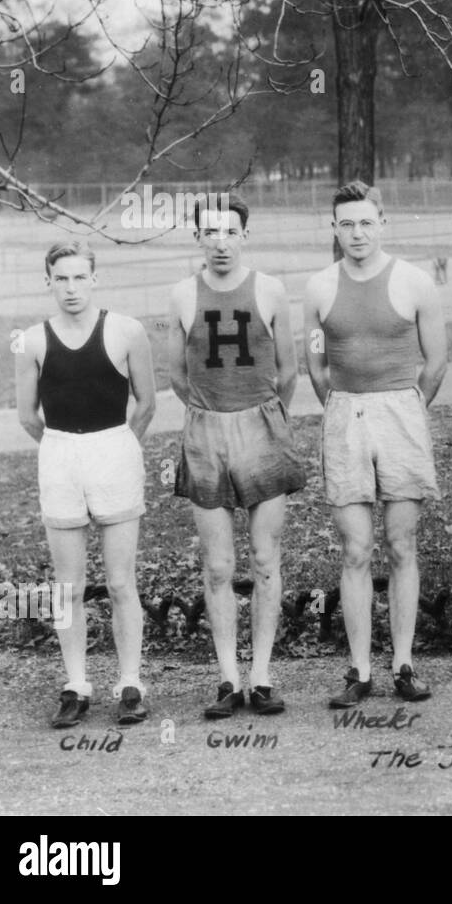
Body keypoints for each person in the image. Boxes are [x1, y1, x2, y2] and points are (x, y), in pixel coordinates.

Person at [305, 181, 446, 706]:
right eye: (347, 223)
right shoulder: (320, 287)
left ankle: (404, 664)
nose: (357, 233)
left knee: (402, 545)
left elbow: (436, 363)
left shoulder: (414, 282)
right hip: (346, 413)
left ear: (382, 222)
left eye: (366, 222)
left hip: (401, 412)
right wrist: (342, 408)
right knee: (356, 549)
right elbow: (316, 365)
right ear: (334, 228)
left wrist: (407, 408)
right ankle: (359, 669)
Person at [167, 197, 304, 718]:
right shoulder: (182, 294)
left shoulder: (269, 289)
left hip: (262, 425)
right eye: (210, 232)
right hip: (205, 431)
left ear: (246, 233)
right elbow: (178, 375)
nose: (221, 241)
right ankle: (227, 678)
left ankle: (263, 677)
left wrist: (263, 419)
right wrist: (211, 416)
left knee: (266, 559)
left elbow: (289, 371)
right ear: (198, 237)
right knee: (219, 564)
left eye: (230, 231)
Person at [14, 242, 156, 728]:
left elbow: (147, 402)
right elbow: (27, 416)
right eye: (61, 279)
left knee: (119, 581)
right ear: (48, 281)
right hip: (59, 456)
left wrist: (118, 447)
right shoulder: (33, 340)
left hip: (114, 449)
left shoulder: (125, 330)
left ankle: (130, 683)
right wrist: (64, 449)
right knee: (68, 586)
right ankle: (76, 684)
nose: (71, 288)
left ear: (95, 278)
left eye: (79, 278)